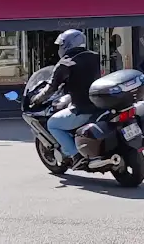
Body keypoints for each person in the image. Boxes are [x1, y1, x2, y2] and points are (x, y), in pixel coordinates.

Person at [31, 29, 101, 167]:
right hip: (99, 104)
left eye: (61, 45)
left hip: (82, 107)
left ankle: (75, 154)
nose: (59, 49)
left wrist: (36, 99)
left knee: (53, 124)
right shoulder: (94, 56)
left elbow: (51, 88)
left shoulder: (65, 63)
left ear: (67, 44)